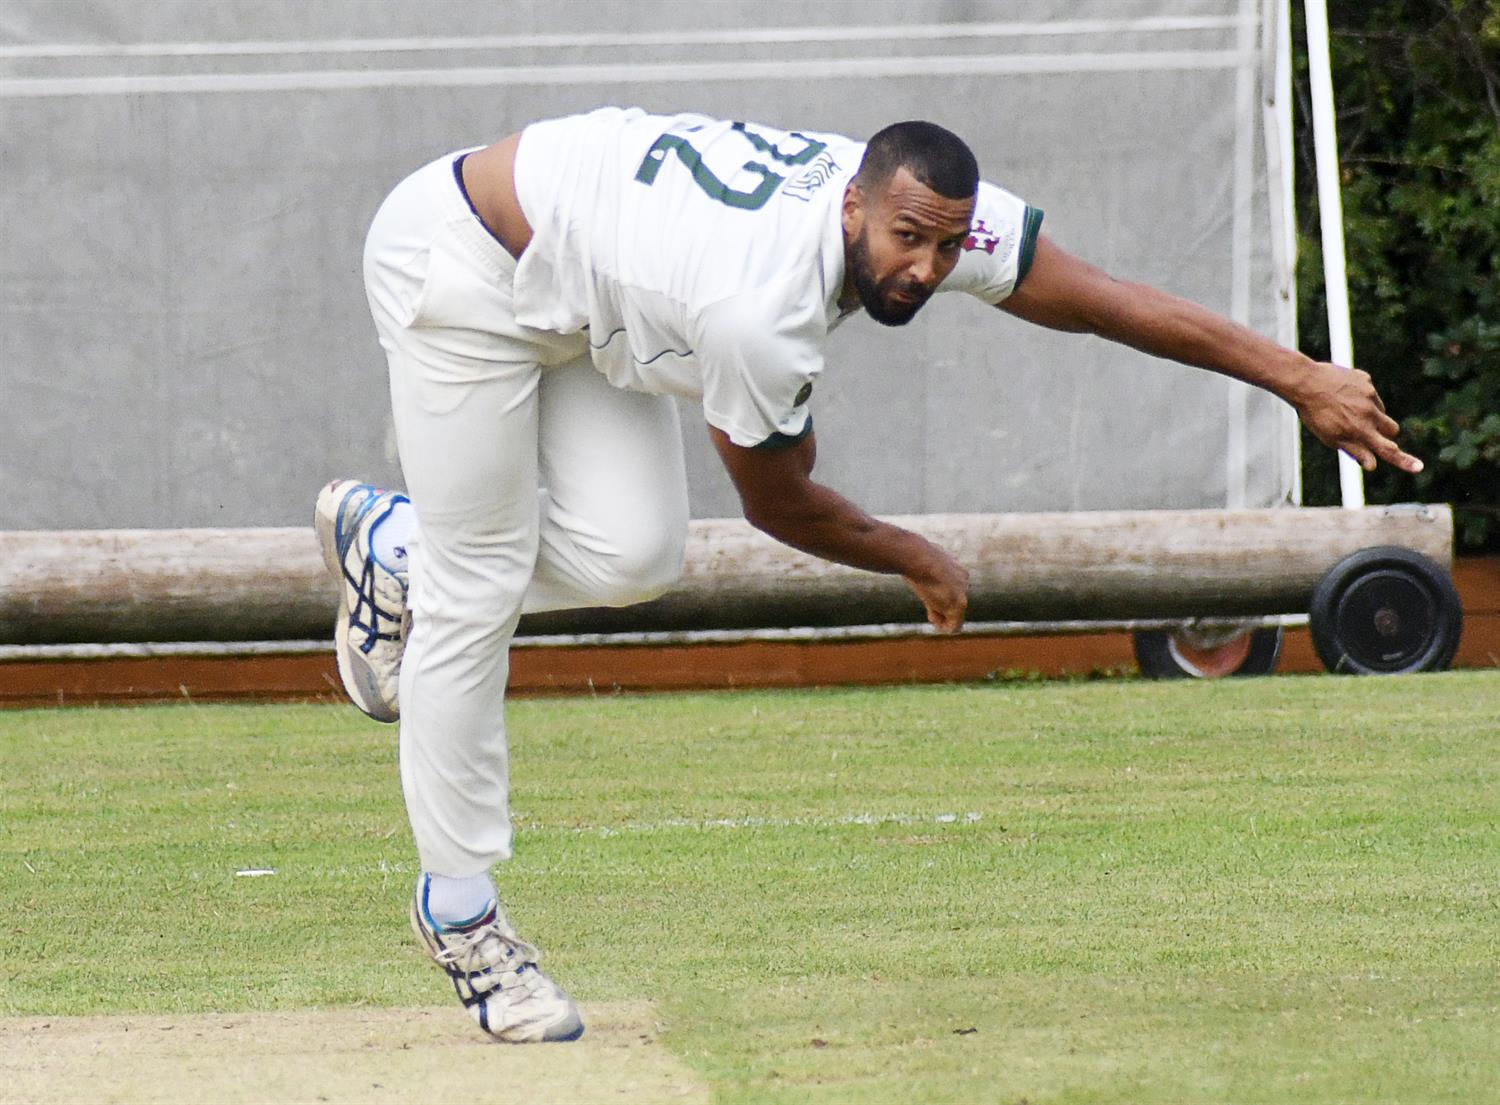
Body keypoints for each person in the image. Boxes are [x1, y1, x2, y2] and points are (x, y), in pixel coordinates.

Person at [316, 107, 1420, 1043]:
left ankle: (394, 553)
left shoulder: (913, 201)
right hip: (459, 258)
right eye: (906, 243)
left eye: (944, 250)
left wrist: (1296, 374)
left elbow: (1090, 295)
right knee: (482, 583)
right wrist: (914, 556)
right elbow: (779, 501)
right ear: (853, 205)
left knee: (637, 555)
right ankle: (461, 913)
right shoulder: (762, 309)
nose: (926, 271)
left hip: (585, 281)